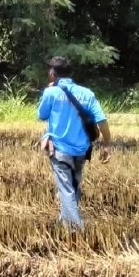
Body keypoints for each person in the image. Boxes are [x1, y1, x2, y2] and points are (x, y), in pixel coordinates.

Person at [37, 56, 111, 231]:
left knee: (66, 190)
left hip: (60, 150)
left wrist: (49, 91)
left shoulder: (51, 93)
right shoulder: (87, 93)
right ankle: (65, 221)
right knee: (74, 188)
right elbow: (101, 120)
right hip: (81, 151)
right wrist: (107, 144)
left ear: (52, 73)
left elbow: (41, 115)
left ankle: (77, 230)